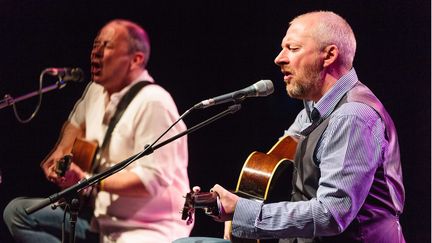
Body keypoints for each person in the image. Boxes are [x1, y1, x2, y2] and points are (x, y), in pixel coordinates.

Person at [177, 11, 406, 243]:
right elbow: (273, 167)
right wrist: (227, 202)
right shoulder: (314, 108)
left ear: (328, 56)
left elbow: (331, 214)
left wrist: (242, 211)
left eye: (293, 48)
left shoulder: (352, 116)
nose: (279, 58)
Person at [3, 19, 193, 243]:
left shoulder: (154, 102)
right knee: (17, 213)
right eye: (95, 45)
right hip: (102, 223)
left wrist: (87, 180)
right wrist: (60, 155)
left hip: (147, 231)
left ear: (136, 59)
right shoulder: (95, 90)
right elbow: (74, 124)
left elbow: (150, 180)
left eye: (108, 46)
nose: (96, 53)